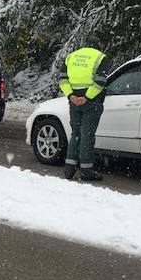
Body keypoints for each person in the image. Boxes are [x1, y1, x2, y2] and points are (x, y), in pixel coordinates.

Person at [59, 46, 110, 181]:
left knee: (76, 134)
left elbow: (62, 79)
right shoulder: (100, 57)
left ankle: (69, 170)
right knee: (87, 135)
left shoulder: (71, 56)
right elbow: (100, 81)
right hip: (91, 102)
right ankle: (86, 171)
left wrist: (70, 95)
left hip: (74, 101)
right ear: (99, 45)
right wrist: (87, 97)